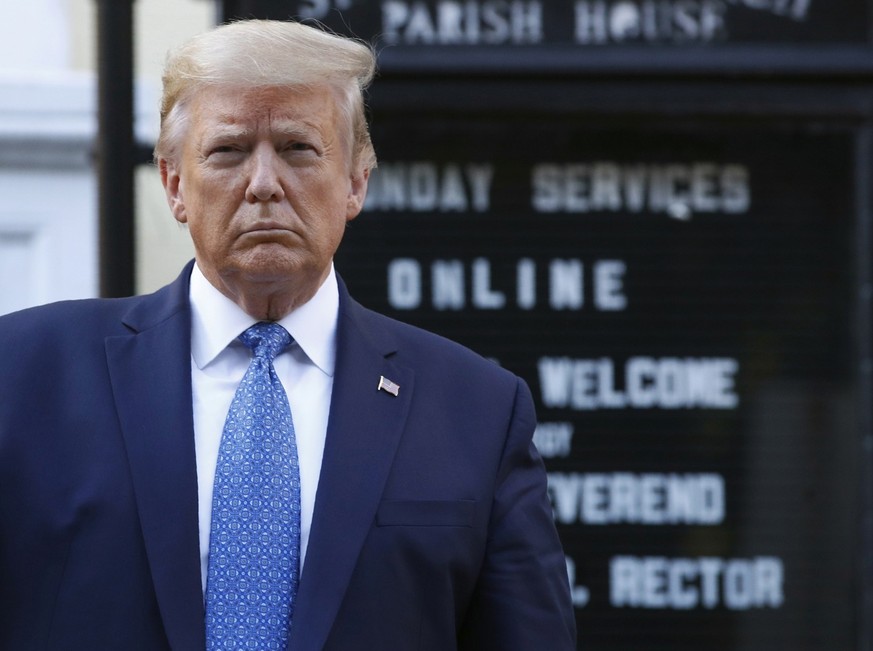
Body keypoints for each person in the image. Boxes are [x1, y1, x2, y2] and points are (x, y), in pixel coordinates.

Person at [0, 19, 576, 651]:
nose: (265, 184)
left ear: (356, 181)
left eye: (299, 149)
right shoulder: (25, 377)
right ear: (173, 184)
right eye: (228, 151)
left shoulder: (477, 411)